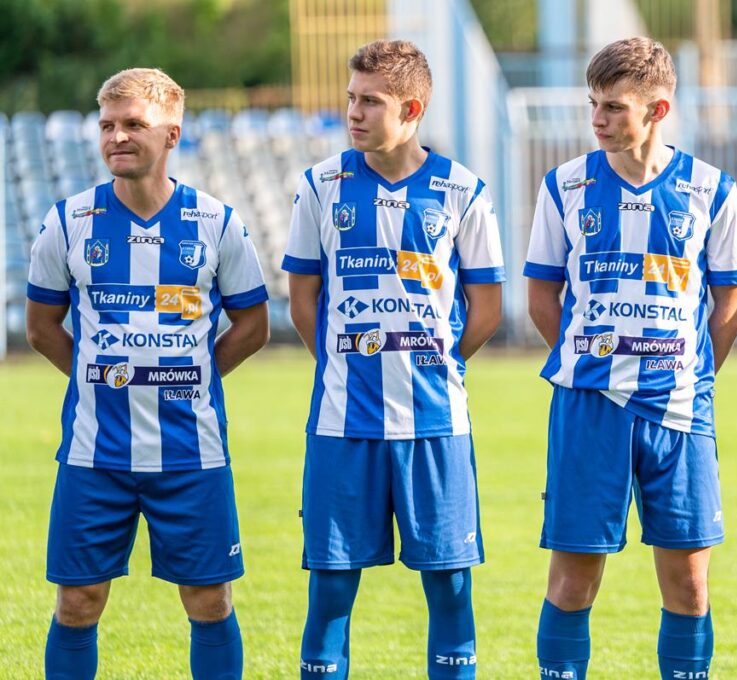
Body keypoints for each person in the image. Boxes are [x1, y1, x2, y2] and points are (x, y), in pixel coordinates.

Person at [26, 68, 270, 680]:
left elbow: (252, 326)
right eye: (107, 125)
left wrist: (192, 377)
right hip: (94, 454)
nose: (117, 137)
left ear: (171, 135)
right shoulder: (68, 221)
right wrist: (98, 377)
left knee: (209, 600)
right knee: (78, 601)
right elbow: (41, 328)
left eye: (134, 124)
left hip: (191, 452)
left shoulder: (217, 223)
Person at [523, 37, 737, 680]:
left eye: (614, 107)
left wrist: (692, 376)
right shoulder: (564, 185)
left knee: (689, 584)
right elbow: (541, 296)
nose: (597, 119)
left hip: (679, 409)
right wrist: (588, 359)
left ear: (658, 110)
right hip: (588, 406)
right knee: (573, 579)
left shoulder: (711, 189)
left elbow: (731, 302)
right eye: (592, 104)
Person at [283, 40, 505, 679]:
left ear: (411, 109)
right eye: (351, 98)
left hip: (435, 423)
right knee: (330, 588)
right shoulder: (320, 186)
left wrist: (439, 365)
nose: (353, 112)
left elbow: (487, 308)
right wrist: (341, 363)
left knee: (450, 586)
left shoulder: (462, 191)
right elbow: (303, 299)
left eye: (370, 101)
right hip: (342, 424)